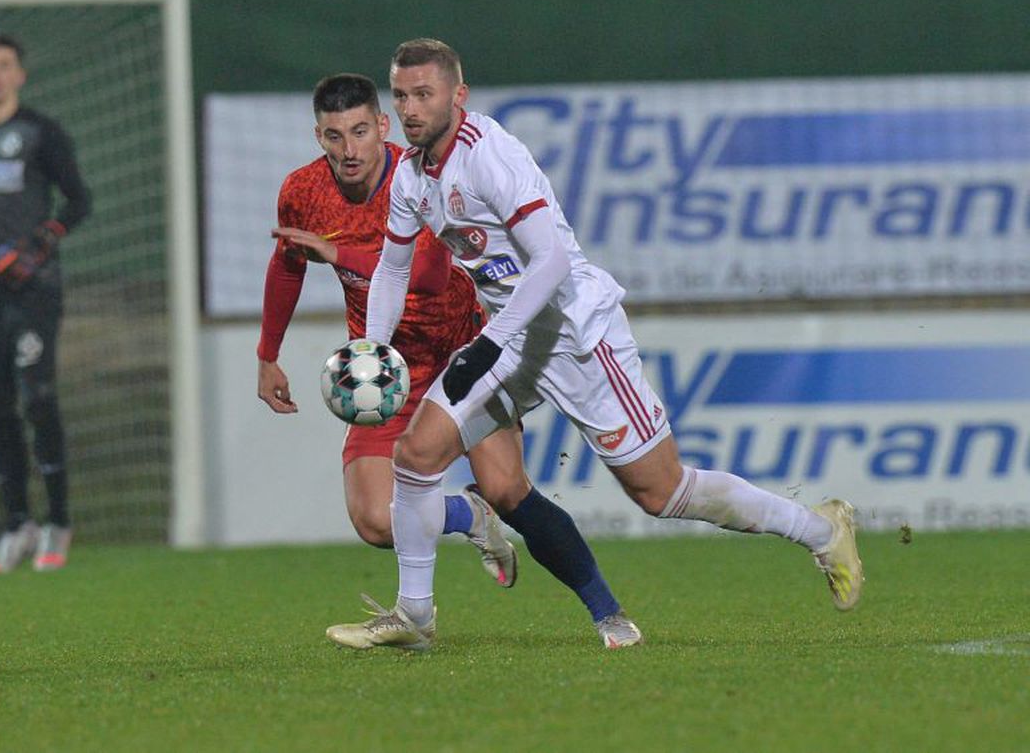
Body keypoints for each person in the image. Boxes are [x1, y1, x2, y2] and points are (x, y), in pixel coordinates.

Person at [326, 39, 864, 652]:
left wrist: (490, 340)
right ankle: (414, 615)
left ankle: (820, 530)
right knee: (417, 455)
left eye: (425, 94)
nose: (411, 108)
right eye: (401, 95)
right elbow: (393, 270)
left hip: (576, 334)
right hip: (506, 341)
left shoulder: (490, 157)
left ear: (458, 95)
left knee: (661, 493)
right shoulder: (410, 176)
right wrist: (371, 347)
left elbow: (551, 258)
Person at [259, 73, 640, 649]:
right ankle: (467, 519)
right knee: (374, 521)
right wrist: (268, 353)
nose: (349, 149)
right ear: (319, 137)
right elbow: (287, 263)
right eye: (334, 136)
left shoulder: (415, 175)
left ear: (382, 126)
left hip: (461, 354)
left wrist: (335, 252)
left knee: (510, 491)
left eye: (360, 131)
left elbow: (431, 274)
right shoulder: (304, 192)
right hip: (383, 372)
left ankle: (607, 612)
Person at [0, 34, 91, 574]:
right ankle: (15, 524)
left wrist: (37, 248)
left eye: (4, 66)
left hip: (34, 290)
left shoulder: (39, 131)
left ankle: (57, 520)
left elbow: (79, 200)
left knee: (38, 398)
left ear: (20, 75)